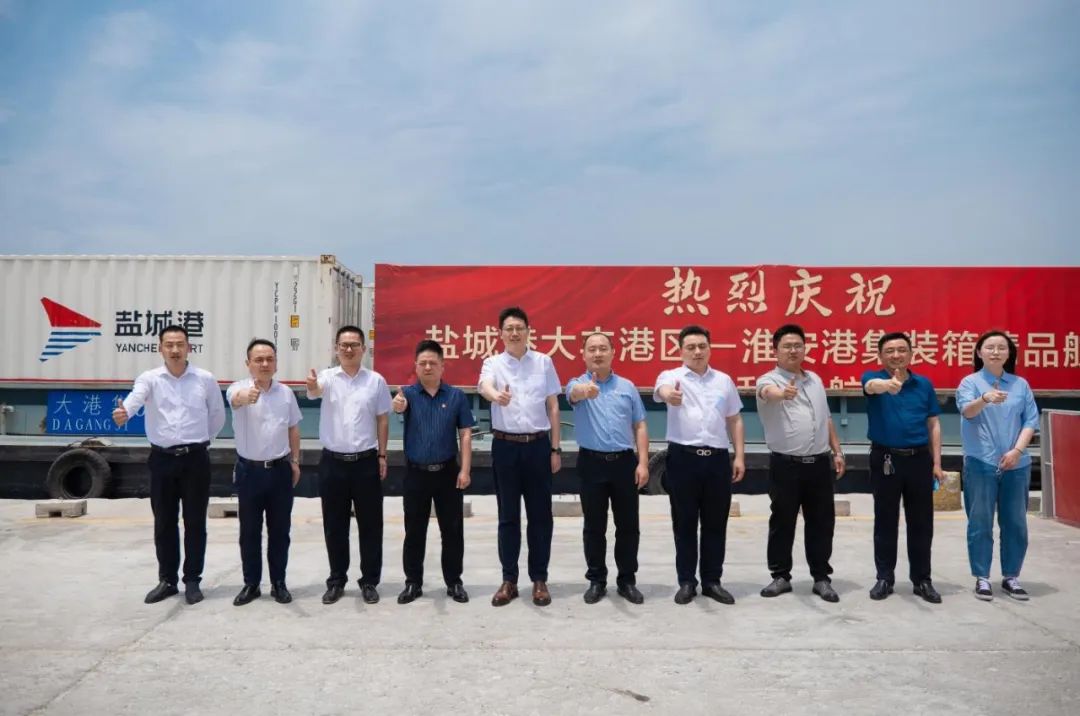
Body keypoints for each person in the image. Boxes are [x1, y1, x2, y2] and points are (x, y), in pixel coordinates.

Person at [112, 325, 226, 605]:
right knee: (164, 522)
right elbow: (135, 400)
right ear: (160, 348)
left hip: (195, 459)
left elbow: (217, 416)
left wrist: (201, 441)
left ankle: (192, 580)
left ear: (189, 347)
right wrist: (125, 412)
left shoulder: (204, 379)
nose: (175, 350)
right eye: (169, 345)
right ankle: (167, 580)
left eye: (180, 344)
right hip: (161, 460)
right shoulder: (150, 379)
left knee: (195, 522)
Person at [654, 325, 746, 605]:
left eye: (702, 346)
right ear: (681, 350)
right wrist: (670, 395)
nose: (697, 351)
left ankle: (712, 581)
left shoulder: (724, 381)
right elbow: (662, 390)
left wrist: (739, 456)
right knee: (684, 523)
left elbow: (734, 419)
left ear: (710, 349)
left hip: (717, 459)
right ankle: (686, 582)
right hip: (683, 458)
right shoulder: (671, 377)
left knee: (715, 523)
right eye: (691, 347)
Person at [478, 306, 562, 607]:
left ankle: (539, 580)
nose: (514, 333)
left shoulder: (543, 362)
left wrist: (555, 448)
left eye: (519, 328)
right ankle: (509, 580)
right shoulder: (492, 363)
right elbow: (484, 386)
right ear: (500, 333)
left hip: (538, 446)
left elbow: (553, 406)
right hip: (505, 447)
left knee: (541, 516)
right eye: (509, 329)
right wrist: (496, 396)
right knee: (508, 517)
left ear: (528, 331)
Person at [756, 324, 846, 603]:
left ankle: (821, 577)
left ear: (805, 348)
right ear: (775, 350)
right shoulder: (768, 380)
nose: (793, 350)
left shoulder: (815, 380)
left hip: (819, 464)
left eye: (798, 345)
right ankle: (780, 576)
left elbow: (826, 418)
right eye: (787, 346)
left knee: (822, 522)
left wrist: (837, 451)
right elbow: (767, 392)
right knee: (782, 521)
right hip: (786, 465)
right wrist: (782, 394)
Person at [306, 325, 391, 605]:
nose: (349, 349)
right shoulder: (328, 377)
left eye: (354, 344)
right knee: (335, 525)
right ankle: (336, 580)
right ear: (336, 348)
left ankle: (369, 581)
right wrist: (312, 385)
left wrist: (382, 455)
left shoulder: (375, 381)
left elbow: (382, 419)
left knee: (371, 525)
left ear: (364, 349)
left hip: (366, 462)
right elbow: (315, 390)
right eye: (344, 345)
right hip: (333, 463)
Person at [566, 332, 650, 605]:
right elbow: (573, 395)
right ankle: (596, 580)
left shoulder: (627, 387)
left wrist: (643, 462)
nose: (598, 353)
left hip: (624, 463)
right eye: (592, 349)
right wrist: (585, 391)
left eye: (603, 348)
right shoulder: (576, 384)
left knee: (628, 526)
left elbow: (640, 425)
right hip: (591, 463)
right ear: (583, 355)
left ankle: (627, 580)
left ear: (614, 353)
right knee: (594, 526)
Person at [956, 330, 1039, 601]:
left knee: (1015, 522)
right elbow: (967, 411)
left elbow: (1030, 421)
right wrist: (985, 399)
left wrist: (1017, 451)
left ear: (1009, 353)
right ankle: (982, 577)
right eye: (989, 347)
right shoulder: (970, 382)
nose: (995, 352)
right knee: (980, 521)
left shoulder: (1020, 385)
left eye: (1001, 347)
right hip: (981, 462)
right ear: (979, 352)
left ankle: (1011, 576)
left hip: (1016, 464)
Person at [862, 332, 944, 603]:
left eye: (901, 350)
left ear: (911, 354)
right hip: (886, 459)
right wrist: (888, 385)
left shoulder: (923, 385)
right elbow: (871, 386)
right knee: (885, 521)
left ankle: (922, 580)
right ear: (880, 355)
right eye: (889, 351)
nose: (896, 355)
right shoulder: (871, 378)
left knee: (921, 522)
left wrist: (937, 463)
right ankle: (884, 578)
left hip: (919, 460)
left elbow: (933, 424)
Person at [392, 339, 475, 605]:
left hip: (447, 473)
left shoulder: (456, 396)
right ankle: (412, 582)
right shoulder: (407, 395)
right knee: (414, 531)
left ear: (442, 366)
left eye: (433, 363)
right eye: (423, 363)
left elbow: (465, 434)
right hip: (415, 473)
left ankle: (454, 582)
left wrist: (465, 470)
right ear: (415, 366)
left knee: (452, 531)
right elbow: (398, 407)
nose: (428, 367)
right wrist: (397, 405)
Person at [226, 339, 302, 606]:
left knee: (280, 531)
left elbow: (293, 428)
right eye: (258, 360)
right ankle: (251, 584)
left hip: (280, 470)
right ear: (248, 363)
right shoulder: (238, 388)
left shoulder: (286, 393)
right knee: (249, 531)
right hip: (249, 471)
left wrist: (295, 461)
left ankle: (279, 583)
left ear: (276, 363)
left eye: (270, 359)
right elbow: (235, 400)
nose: (265, 364)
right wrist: (245, 397)